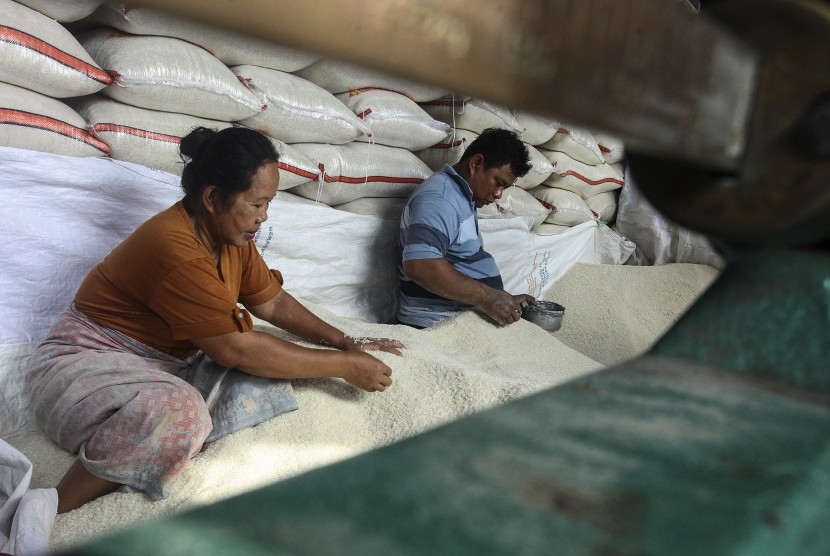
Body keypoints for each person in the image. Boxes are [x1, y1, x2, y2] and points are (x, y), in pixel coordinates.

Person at [26, 126, 404, 514]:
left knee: (273, 380)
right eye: (257, 204)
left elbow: (272, 304)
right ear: (212, 198)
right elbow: (233, 349)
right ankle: (51, 508)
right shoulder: (175, 247)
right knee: (182, 411)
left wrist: (344, 342)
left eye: (268, 203)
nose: (264, 216)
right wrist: (343, 365)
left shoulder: (231, 238)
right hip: (82, 365)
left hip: (162, 365)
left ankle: (158, 456)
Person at [396, 127, 536, 329]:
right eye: (498, 183)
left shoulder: (461, 197)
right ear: (476, 163)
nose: (498, 194)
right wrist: (487, 297)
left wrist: (502, 299)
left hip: (457, 319)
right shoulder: (442, 198)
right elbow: (420, 264)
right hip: (434, 325)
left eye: (504, 188)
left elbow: (457, 263)